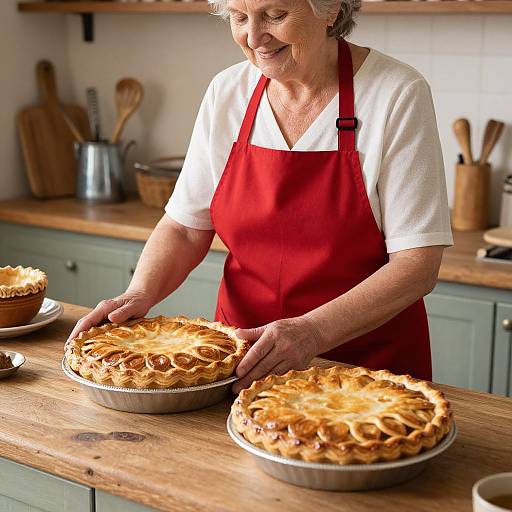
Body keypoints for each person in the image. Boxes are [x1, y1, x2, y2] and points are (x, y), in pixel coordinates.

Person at [68, 0, 453, 394]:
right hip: (240, 363)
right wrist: (138, 293)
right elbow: (185, 227)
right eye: (238, 17)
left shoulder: (396, 92)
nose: (254, 38)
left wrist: (312, 333)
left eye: (274, 15)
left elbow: (417, 265)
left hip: (363, 377)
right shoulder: (228, 92)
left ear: (330, 11)